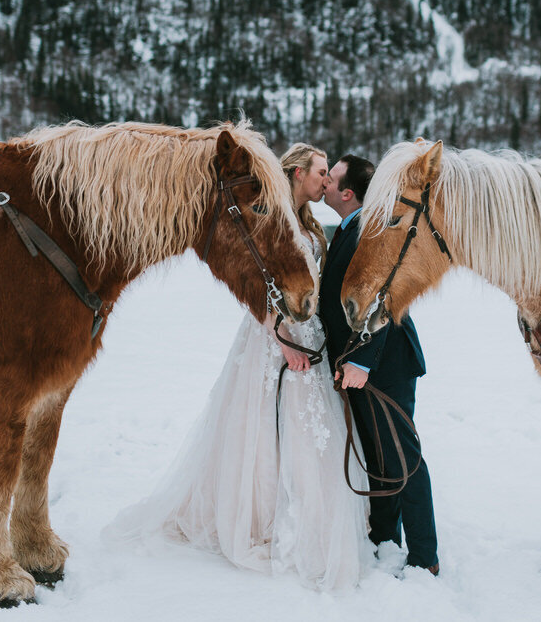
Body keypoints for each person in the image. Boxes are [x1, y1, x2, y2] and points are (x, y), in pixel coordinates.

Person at [105, 143, 372, 591]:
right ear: (298, 173)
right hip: (275, 339)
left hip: (309, 336)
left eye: (329, 175)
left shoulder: (309, 224)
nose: (327, 181)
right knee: (262, 428)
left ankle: (309, 515)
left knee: (308, 432)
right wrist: (282, 338)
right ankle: (258, 517)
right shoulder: (269, 217)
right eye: (322, 172)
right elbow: (258, 283)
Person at [320, 153, 439, 574]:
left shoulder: (368, 232)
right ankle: (385, 537)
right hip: (358, 366)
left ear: (347, 192)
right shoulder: (350, 228)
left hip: (386, 363)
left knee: (403, 457)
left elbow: (384, 298)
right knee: (378, 456)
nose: (325, 182)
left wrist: (363, 361)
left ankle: (426, 558)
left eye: (330, 177)